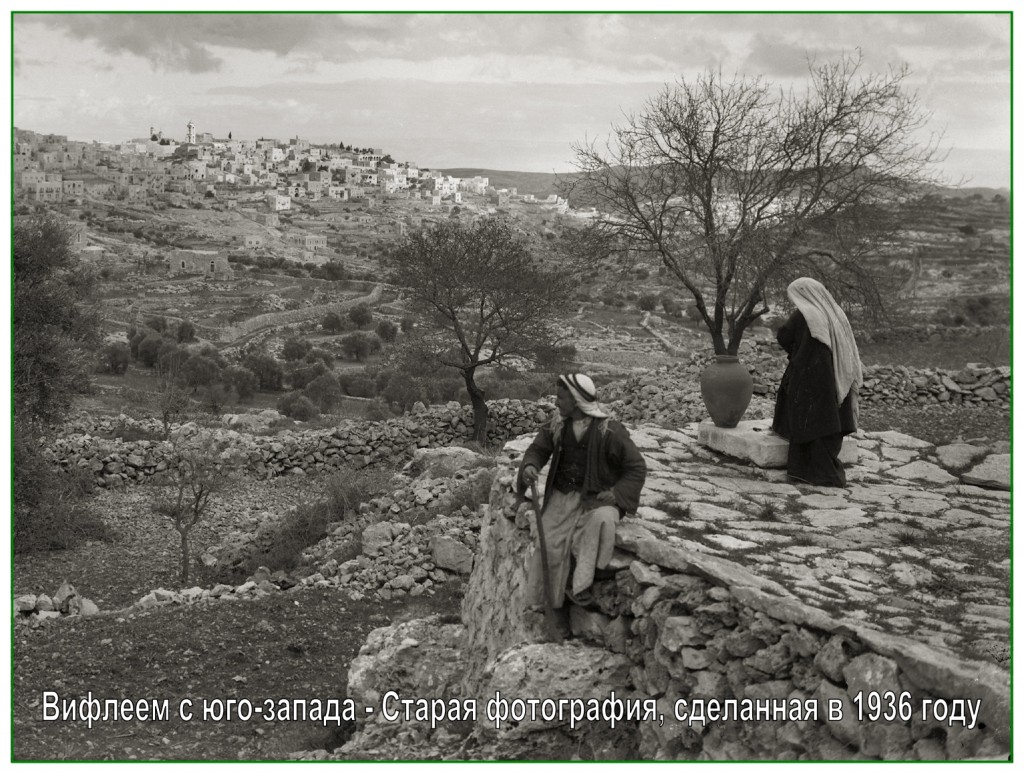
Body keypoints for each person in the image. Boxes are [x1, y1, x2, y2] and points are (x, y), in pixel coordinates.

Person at [517, 373, 646, 610]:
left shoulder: (609, 431)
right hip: (562, 495)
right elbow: (538, 449)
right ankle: (548, 601)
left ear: (576, 401)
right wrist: (531, 466)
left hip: (595, 499)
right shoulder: (557, 425)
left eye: (561, 398)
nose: (556, 403)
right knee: (549, 543)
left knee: (595, 527)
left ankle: (579, 586)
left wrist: (617, 494)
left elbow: (636, 467)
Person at [772, 277, 863, 487]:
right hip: (838, 375)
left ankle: (806, 473)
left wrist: (796, 351)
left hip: (809, 377)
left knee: (808, 422)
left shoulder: (806, 313)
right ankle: (828, 472)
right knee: (830, 421)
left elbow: (784, 336)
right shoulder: (835, 312)